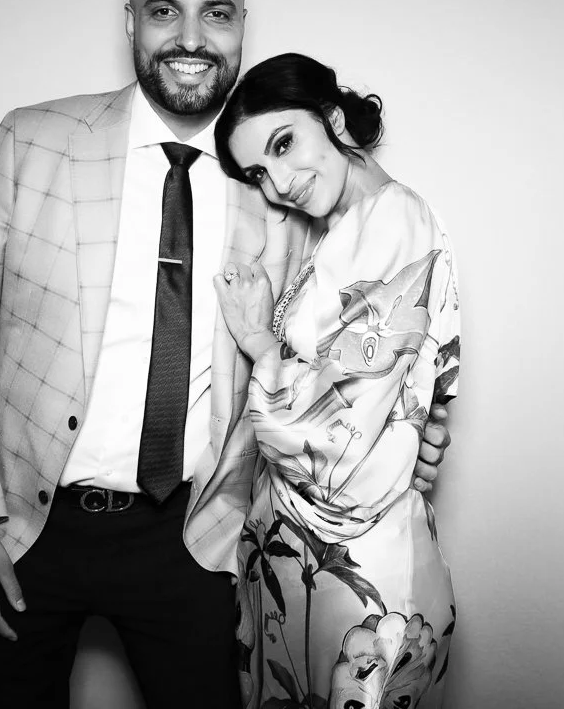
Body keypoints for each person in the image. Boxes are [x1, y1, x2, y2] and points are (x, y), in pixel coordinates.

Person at [0, 0, 451, 709]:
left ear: (241, 24)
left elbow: (351, 353)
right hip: (23, 532)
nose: (191, 36)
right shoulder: (34, 141)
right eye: (165, 10)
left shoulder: (283, 183)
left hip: (201, 541)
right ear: (131, 20)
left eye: (218, 13)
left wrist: (415, 430)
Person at [213, 53, 460, 709]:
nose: (279, 182)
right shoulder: (341, 235)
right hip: (304, 575)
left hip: (359, 584)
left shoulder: (396, 219)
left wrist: (261, 339)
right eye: (258, 172)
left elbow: (327, 441)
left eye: (285, 143)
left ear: (331, 117)